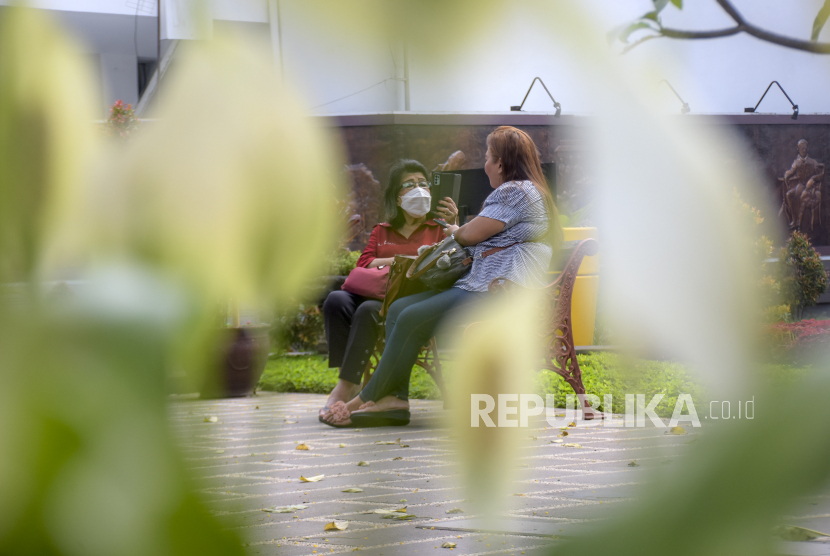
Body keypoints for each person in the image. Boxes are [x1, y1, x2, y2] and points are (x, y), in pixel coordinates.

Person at [322, 126, 562, 427]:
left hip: (496, 291)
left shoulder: (514, 190)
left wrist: (455, 230)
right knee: (398, 308)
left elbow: (470, 235)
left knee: (409, 317)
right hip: (491, 286)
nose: (485, 164)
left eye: (488, 158)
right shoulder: (529, 191)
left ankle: (365, 398)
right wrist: (458, 231)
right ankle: (395, 399)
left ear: (500, 163)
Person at [319, 159, 458, 421]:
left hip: (400, 300)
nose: (419, 189)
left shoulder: (438, 229)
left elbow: (447, 263)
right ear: (397, 196)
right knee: (335, 300)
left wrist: (454, 225)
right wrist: (403, 261)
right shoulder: (382, 230)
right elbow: (364, 262)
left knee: (368, 311)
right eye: (410, 184)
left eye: (423, 183)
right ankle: (351, 378)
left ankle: (345, 388)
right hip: (367, 289)